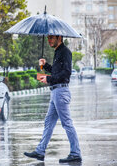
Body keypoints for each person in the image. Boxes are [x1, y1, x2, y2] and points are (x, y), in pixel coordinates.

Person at [24, 35, 82, 163]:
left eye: (51, 38)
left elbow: (66, 73)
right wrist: (46, 66)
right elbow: (56, 72)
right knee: (48, 123)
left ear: (59, 38)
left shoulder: (65, 52)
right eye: (48, 38)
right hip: (55, 92)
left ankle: (76, 153)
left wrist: (49, 79)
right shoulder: (57, 52)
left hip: (61, 92)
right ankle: (40, 151)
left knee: (67, 123)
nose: (49, 40)